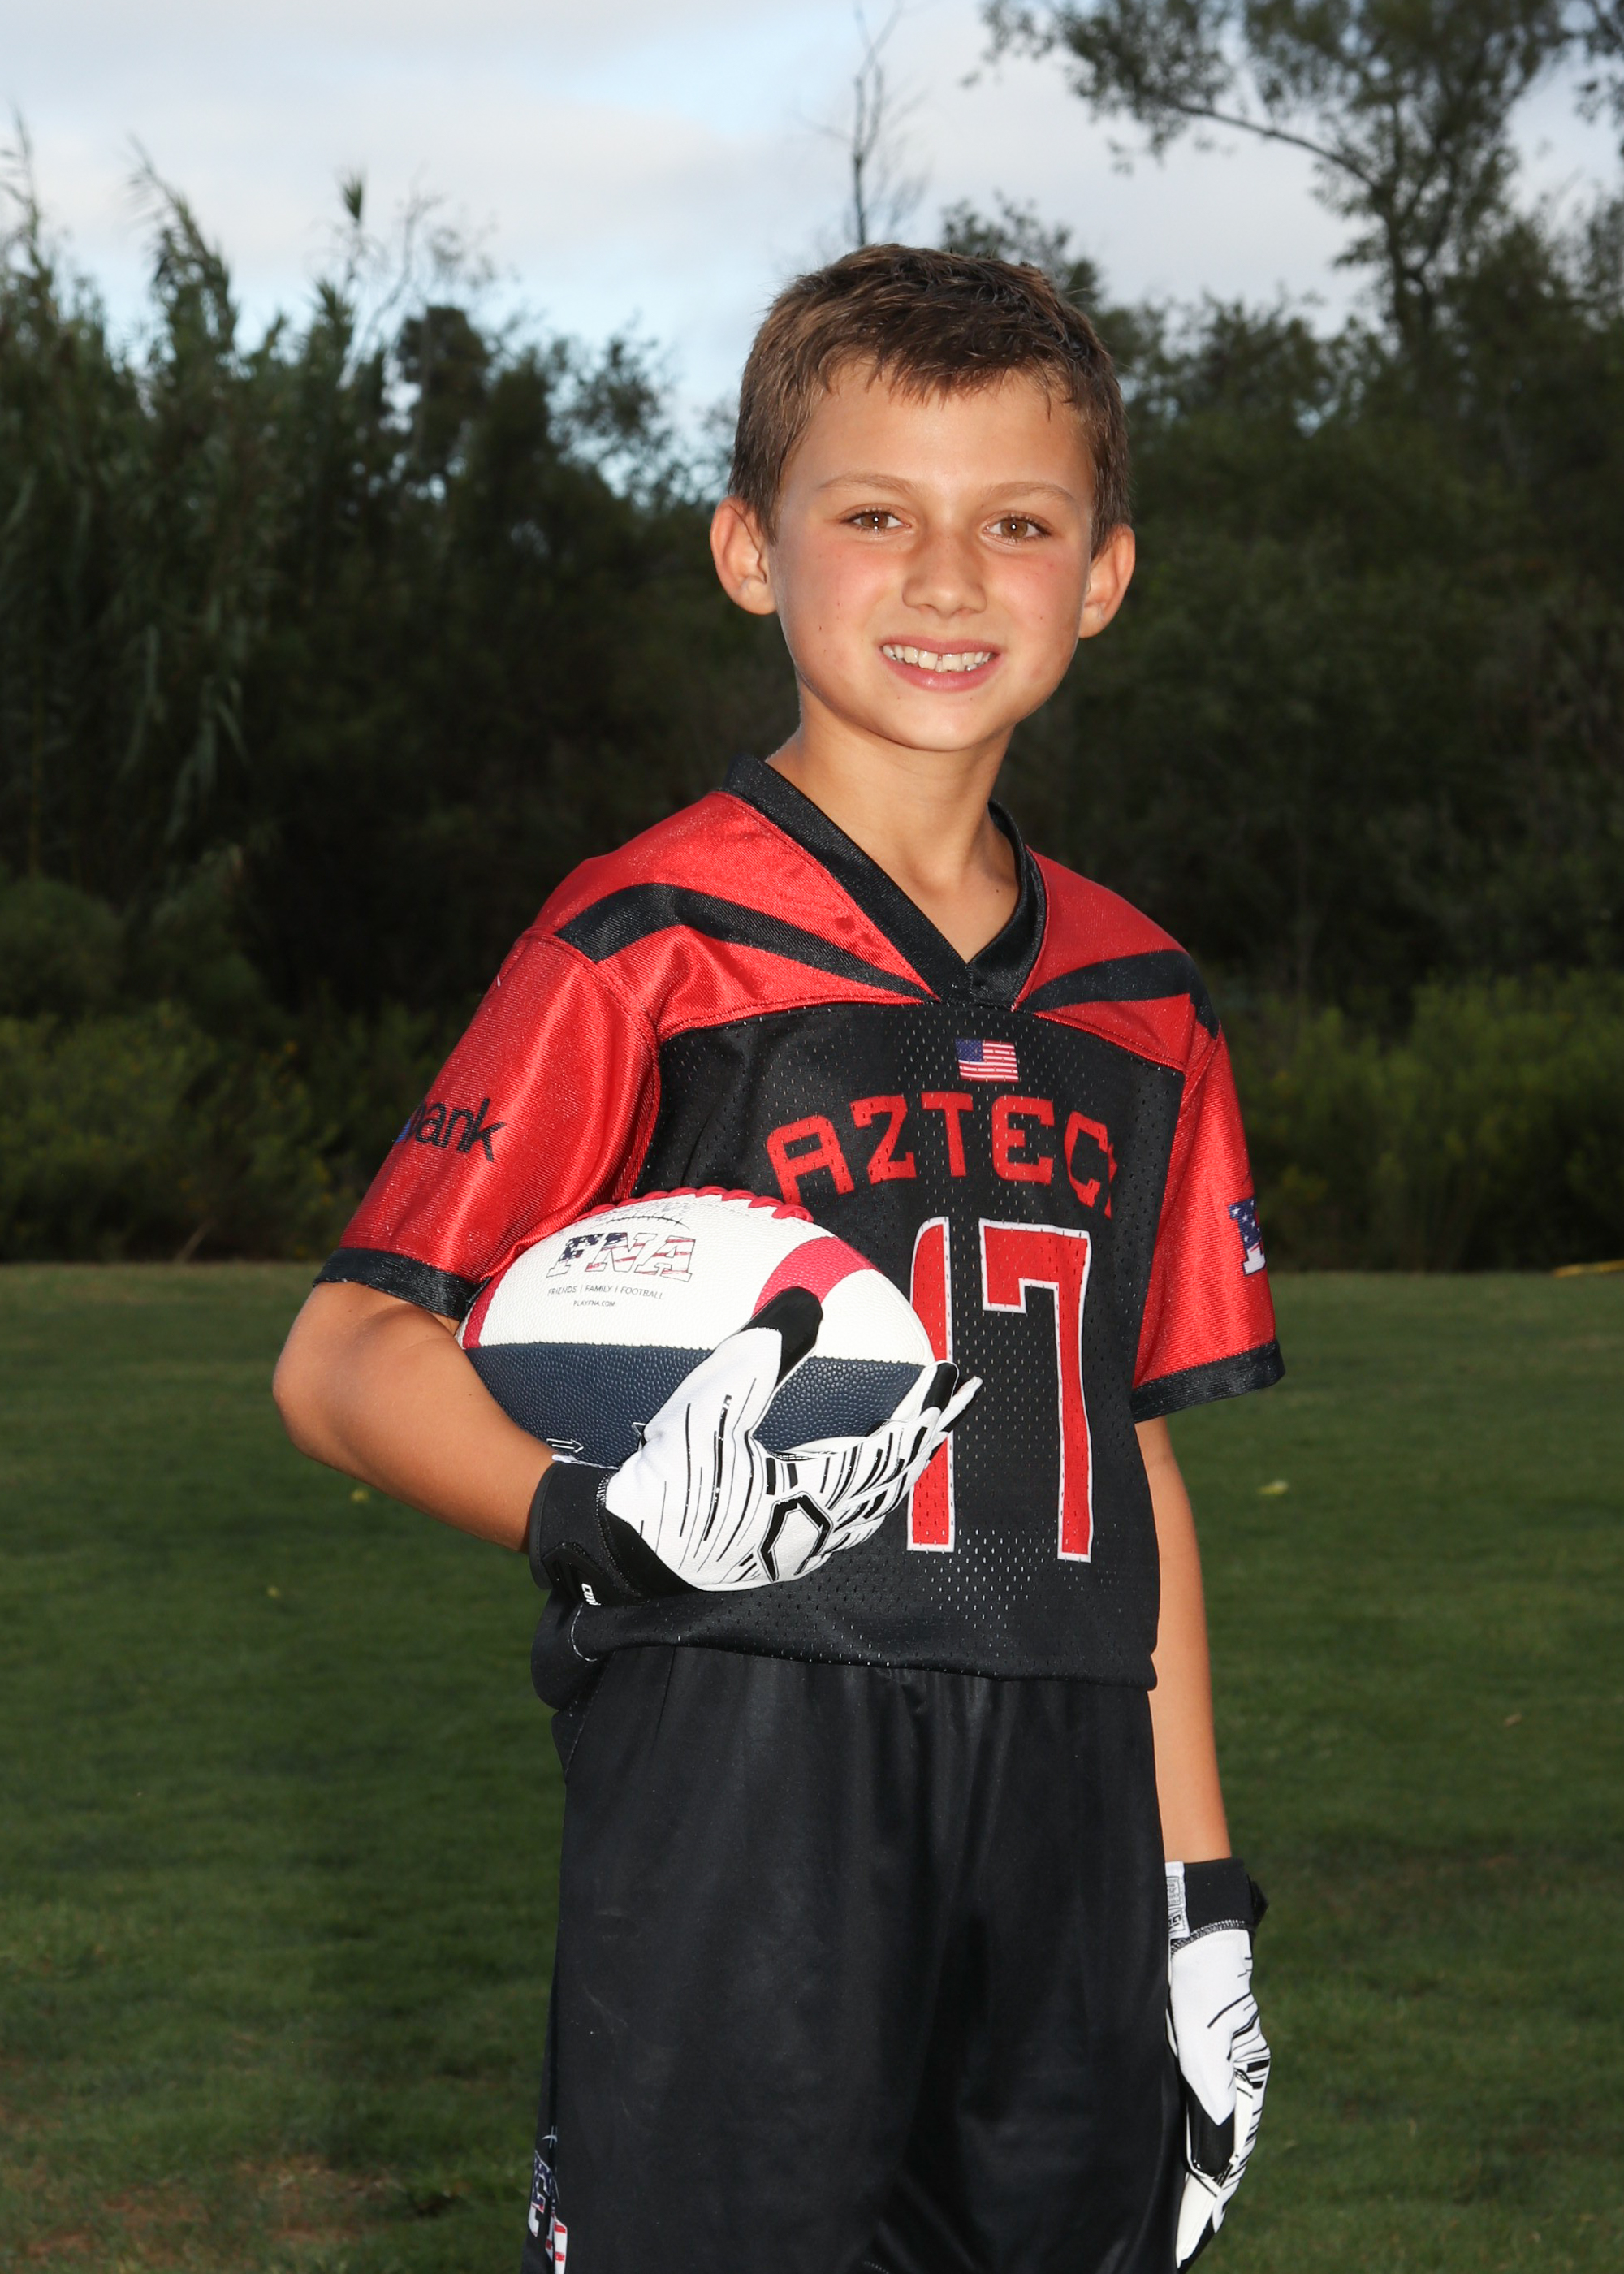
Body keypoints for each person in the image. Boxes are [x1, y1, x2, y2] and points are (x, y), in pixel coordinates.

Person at [274, 243, 1281, 2274]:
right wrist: (599, 1518)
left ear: (1102, 575)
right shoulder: (650, 940)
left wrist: (1200, 1901)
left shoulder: (1143, 995)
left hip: (1068, 1798)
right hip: (748, 1766)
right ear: (750, 548)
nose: (947, 577)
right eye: (874, 514)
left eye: (1018, 524)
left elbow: (1132, 1461)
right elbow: (345, 1354)